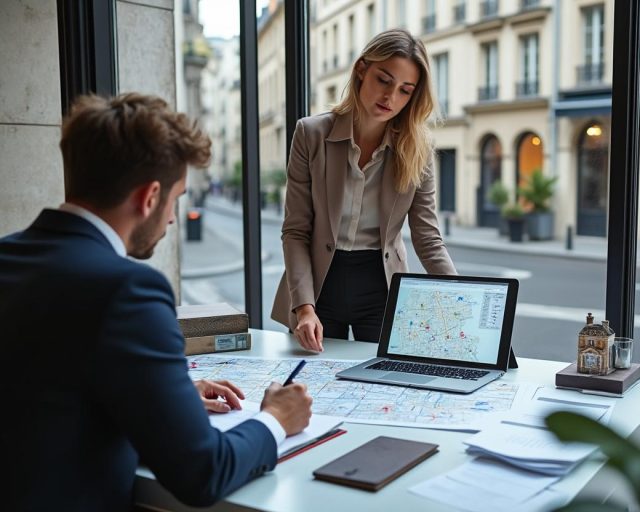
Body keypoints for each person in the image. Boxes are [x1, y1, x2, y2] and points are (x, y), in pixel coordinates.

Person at [0, 93, 313, 511]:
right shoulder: (129, 290)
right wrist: (276, 418)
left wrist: (166, 394)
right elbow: (203, 473)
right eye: (176, 198)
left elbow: (50, 386)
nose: (171, 218)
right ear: (149, 197)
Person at [271, 29, 456, 351]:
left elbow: (427, 237)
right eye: (383, 80)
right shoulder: (311, 134)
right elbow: (296, 231)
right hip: (318, 287)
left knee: (386, 390)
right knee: (315, 388)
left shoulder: (418, 150)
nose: (390, 98)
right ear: (361, 70)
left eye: (405, 90)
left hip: (382, 286)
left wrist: (463, 298)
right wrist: (304, 308)